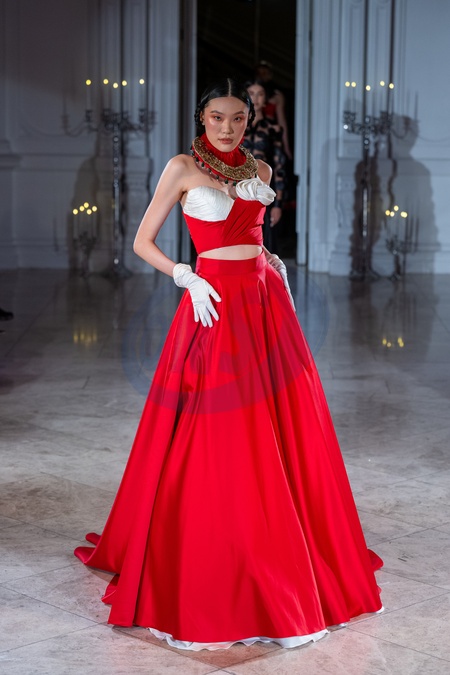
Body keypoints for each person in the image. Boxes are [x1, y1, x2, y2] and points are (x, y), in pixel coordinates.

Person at [75, 78, 383, 651]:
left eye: (238, 118)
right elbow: (142, 241)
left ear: (249, 121)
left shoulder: (259, 170)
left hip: (263, 302)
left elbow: (252, 235)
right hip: (213, 301)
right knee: (217, 425)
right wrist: (186, 277)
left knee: (283, 421)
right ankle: (218, 539)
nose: (227, 127)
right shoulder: (181, 168)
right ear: (202, 119)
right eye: (217, 117)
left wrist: (273, 263)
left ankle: (280, 535)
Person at [243, 79, 286, 254]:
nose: (256, 98)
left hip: (264, 190)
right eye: (252, 94)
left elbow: (279, 166)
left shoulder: (273, 128)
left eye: (260, 94)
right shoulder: (236, 127)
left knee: (265, 242)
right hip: (237, 190)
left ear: (266, 98)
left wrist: (278, 205)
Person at [254, 60, 292, 160]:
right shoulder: (250, 93)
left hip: (269, 133)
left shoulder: (277, 96)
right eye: (259, 73)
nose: (262, 76)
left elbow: (282, 121)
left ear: (270, 75)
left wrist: (286, 146)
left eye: (265, 73)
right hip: (254, 130)